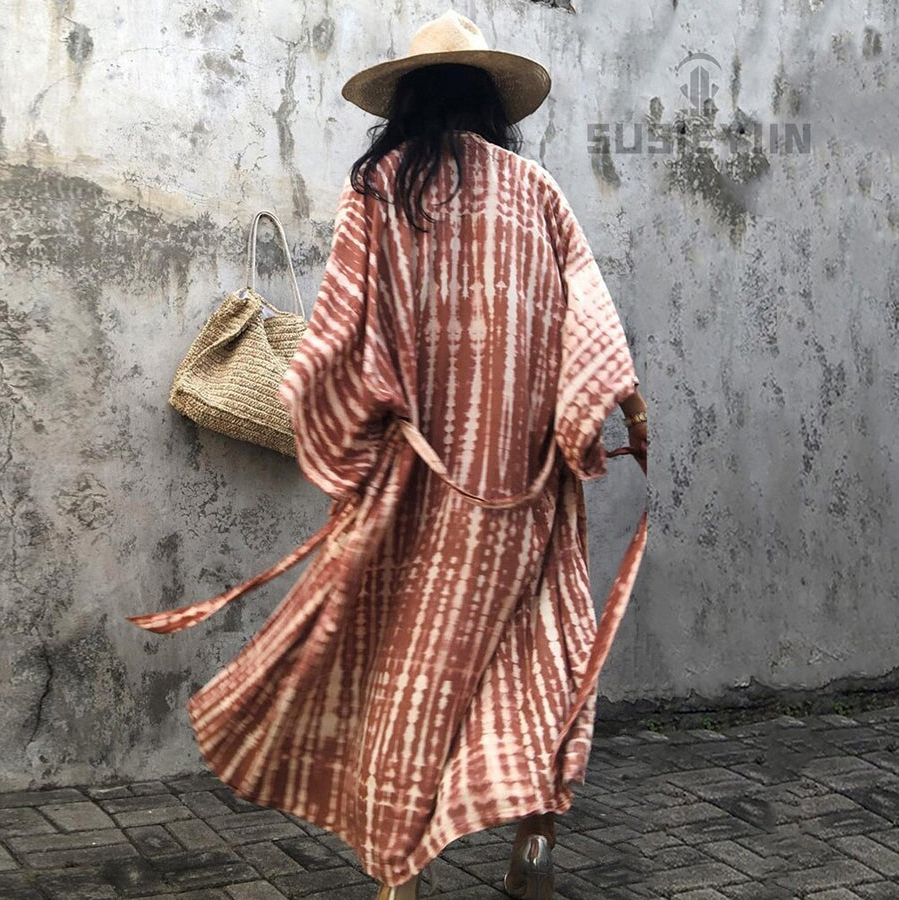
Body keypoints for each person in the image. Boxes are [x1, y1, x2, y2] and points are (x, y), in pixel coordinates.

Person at [128, 9, 647, 900]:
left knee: (412, 666)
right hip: (526, 491)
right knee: (539, 657)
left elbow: (333, 340)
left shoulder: (377, 190)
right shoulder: (536, 191)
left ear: (403, 102)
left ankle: (399, 870)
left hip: (417, 492)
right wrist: (625, 413)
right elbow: (591, 329)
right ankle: (532, 834)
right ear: (493, 101)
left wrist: (342, 431)